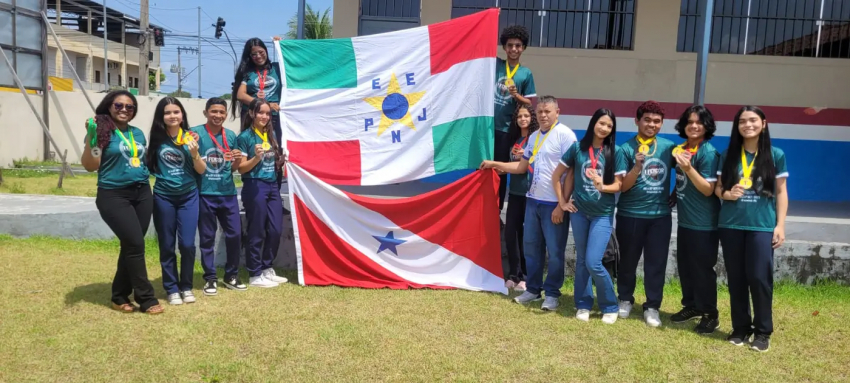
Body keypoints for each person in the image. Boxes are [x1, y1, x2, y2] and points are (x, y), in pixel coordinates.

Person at [480, 96, 576, 311]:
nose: (543, 115)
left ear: (557, 112)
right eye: (540, 111)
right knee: (531, 248)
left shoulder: (566, 136)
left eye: (547, 111)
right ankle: (533, 289)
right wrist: (495, 164)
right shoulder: (533, 137)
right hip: (532, 200)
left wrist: (562, 204)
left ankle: (552, 294)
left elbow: (571, 173)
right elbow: (521, 167)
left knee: (555, 250)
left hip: (553, 203)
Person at [81, 90, 163, 315]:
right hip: (113, 194)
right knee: (136, 244)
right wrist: (92, 139)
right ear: (109, 106)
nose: (124, 110)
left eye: (130, 107)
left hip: (142, 192)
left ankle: (118, 295)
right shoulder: (100, 131)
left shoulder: (137, 133)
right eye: (119, 106)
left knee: (131, 244)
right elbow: (90, 165)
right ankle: (145, 297)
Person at [715, 105, 788, 353]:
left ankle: (763, 331)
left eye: (753, 120)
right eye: (743, 121)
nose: (748, 125)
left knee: (759, 278)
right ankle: (740, 328)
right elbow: (718, 189)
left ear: (763, 124)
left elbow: (781, 192)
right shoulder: (728, 155)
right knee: (736, 279)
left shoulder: (775, 155)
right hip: (731, 224)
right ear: (737, 126)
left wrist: (779, 225)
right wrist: (727, 194)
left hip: (762, 226)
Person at [554, 108, 625, 324]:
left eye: (609, 126)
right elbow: (557, 176)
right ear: (593, 123)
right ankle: (583, 304)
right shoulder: (578, 148)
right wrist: (562, 203)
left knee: (594, 261)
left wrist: (602, 185)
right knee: (583, 260)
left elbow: (619, 185)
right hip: (579, 213)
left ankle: (610, 306)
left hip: (602, 214)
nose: (604, 128)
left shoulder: (616, 151)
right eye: (601, 123)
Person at [616, 100, 676, 327]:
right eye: (647, 120)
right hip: (630, 213)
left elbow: (684, 176)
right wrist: (637, 167)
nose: (652, 124)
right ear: (637, 121)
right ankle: (625, 299)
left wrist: (676, 195)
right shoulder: (625, 148)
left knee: (656, 263)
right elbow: (623, 186)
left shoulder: (669, 147)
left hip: (659, 216)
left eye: (657, 121)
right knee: (628, 262)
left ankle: (652, 306)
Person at [147, 97, 207, 306]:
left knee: (188, 244)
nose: (172, 116)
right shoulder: (157, 139)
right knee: (167, 244)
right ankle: (171, 288)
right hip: (164, 196)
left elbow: (202, 170)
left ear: (182, 115)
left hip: (189, 196)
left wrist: (194, 153)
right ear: (161, 117)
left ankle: (186, 286)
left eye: (176, 112)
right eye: (167, 112)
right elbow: (150, 166)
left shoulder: (191, 138)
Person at [669, 105, 722, 334]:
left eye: (699, 122)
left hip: (704, 224)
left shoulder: (708, 153)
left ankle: (710, 314)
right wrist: (674, 193)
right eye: (689, 122)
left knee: (702, 270)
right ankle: (691, 306)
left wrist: (688, 168)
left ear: (706, 126)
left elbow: (708, 189)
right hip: (686, 221)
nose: (693, 125)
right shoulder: (682, 149)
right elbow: (682, 179)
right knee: (687, 267)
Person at [191, 98, 246, 295]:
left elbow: (232, 168)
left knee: (235, 234)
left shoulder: (230, 136)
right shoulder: (195, 133)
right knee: (207, 237)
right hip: (204, 192)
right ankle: (210, 278)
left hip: (227, 193)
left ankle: (231, 275)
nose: (218, 115)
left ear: (226, 115)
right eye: (214, 111)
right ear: (206, 113)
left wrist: (238, 160)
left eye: (222, 112)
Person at [236, 98, 289, 288]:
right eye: (261, 112)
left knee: (275, 228)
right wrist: (256, 158)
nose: (265, 116)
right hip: (254, 185)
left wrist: (279, 162)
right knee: (256, 229)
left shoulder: (270, 135)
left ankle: (267, 268)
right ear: (251, 113)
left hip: (272, 186)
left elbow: (271, 162)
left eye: (267, 113)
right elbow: (241, 168)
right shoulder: (245, 137)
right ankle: (254, 273)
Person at [494, 25, 537, 215]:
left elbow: (530, 102)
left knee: (501, 172)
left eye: (518, 46)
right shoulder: (496, 64)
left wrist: (516, 95)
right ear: (504, 47)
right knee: (484, 167)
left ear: (523, 48)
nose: (513, 49)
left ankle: (496, 211)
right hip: (487, 127)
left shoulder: (525, 73)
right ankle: (482, 208)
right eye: (509, 45)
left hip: (506, 129)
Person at [504, 103, 539, 291]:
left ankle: (526, 277)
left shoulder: (535, 139)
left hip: (531, 193)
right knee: (511, 234)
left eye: (526, 116)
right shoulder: (515, 138)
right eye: (519, 117)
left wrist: (525, 158)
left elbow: (538, 163)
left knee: (527, 236)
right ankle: (513, 275)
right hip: (515, 193)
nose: (523, 119)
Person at [232, 37, 283, 148]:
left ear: (266, 51)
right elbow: (240, 95)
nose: (258, 56)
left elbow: (293, 61)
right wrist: (267, 105)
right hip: (252, 117)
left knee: (276, 148)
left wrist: (281, 45)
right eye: (254, 54)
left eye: (261, 52)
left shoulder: (277, 68)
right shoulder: (247, 72)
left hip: (274, 117)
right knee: (253, 147)